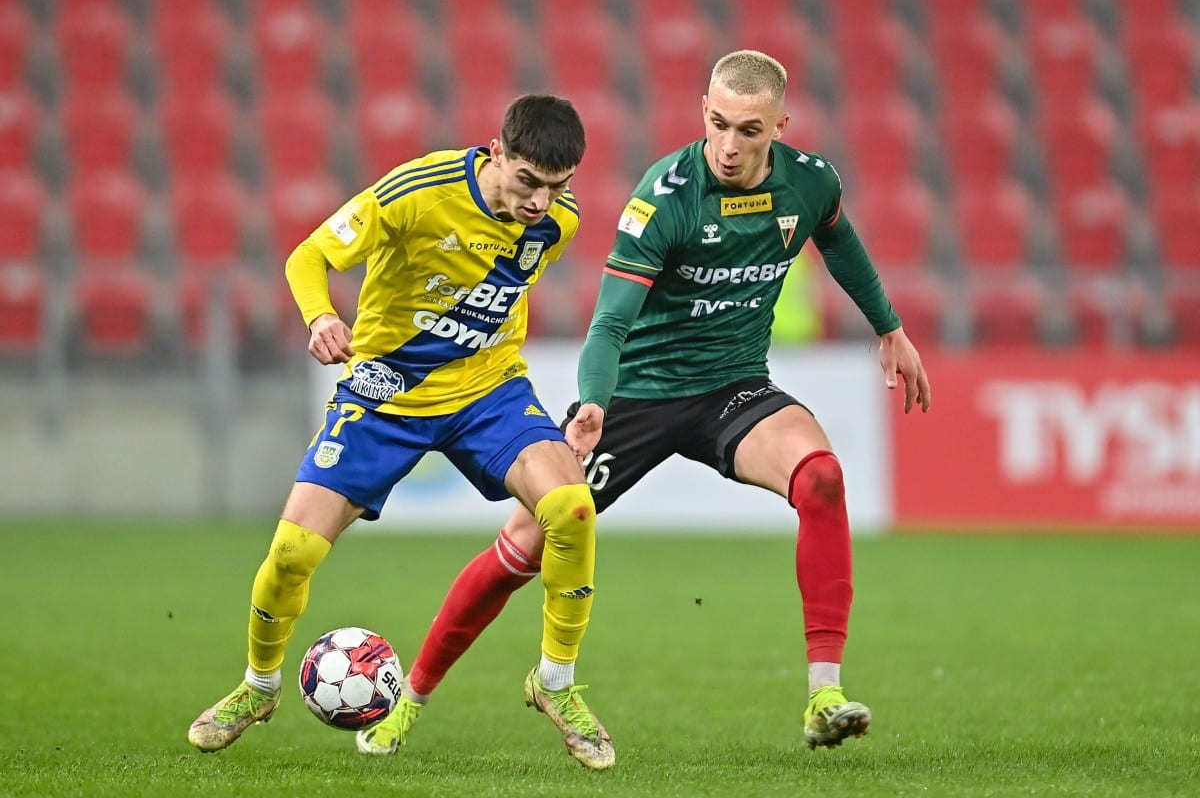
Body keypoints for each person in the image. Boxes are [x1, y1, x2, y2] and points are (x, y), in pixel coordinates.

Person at [362, 49, 932, 755]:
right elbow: (608, 325)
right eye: (718, 124)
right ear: (703, 112)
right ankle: (411, 699)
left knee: (821, 477)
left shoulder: (811, 184)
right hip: (636, 394)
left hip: (733, 387)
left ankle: (824, 693)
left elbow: (838, 238)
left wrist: (889, 327)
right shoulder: (665, 196)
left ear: (781, 125)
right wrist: (593, 402)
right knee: (523, 551)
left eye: (749, 131)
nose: (728, 146)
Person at [186, 94, 615, 771]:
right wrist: (320, 318)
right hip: (385, 395)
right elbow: (308, 256)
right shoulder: (417, 192)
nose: (540, 202)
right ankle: (258, 687)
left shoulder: (557, 223)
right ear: (495, 152)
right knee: (292, 554)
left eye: (556, 187)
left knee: (572, 509)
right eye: (527, 181)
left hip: (488, 391)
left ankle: (555, 685)